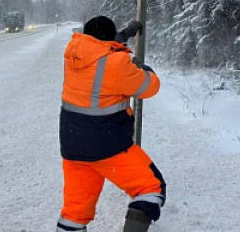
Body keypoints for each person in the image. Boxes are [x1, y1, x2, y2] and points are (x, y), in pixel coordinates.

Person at [57, 16, 165, 232]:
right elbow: (149, 87)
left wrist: (125, 34)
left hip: (73, 147)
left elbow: (100, 47)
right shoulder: (117, 64)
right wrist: (145, 69)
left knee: (75, 211)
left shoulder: (74, 56)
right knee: (150, 188)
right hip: (108, 147)